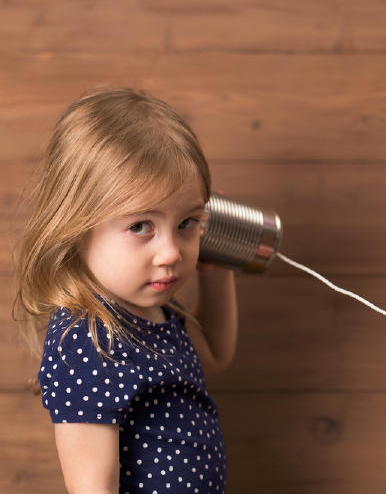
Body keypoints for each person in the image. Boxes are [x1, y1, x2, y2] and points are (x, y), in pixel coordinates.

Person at [14, 87, 238, 493]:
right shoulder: (86, 337)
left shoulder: (155, 312)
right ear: (77, 228)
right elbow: (92, 488)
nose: (171, 252)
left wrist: (217, 272)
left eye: (187, 222)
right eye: (140, 226)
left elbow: (215, 358)